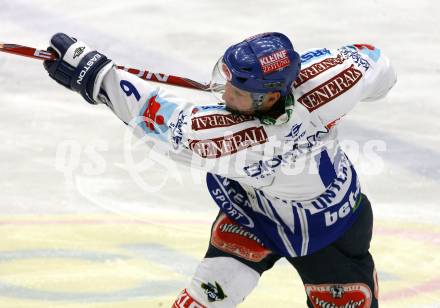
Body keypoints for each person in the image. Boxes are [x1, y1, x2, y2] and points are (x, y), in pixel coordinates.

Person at [43, 32, 396, 307]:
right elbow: (377, 64)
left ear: (270, 97)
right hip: (264, 212)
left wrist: (95, 73)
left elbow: (155, 115)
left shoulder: (227, 139)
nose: (225, 93)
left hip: (328, 228)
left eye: (237, 91)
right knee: (210, 294)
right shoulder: (333, 77)